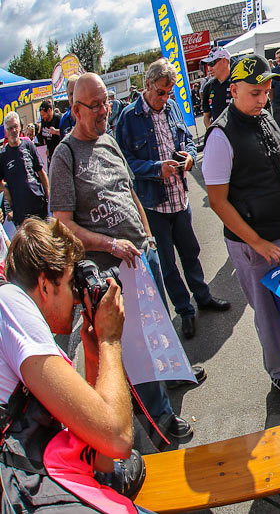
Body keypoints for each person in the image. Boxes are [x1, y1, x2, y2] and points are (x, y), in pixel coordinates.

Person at [48, 72, 196, 444]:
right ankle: (159, 418)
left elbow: (129, 194)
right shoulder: (64, 156)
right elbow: (62, 225)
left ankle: (172, 372)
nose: (103, 111)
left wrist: (146, 238)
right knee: (137, 345)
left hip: (141, 255)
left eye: (106, 103)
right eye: (95, 105)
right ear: (76, 109)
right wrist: (110, 245)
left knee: (159, 322)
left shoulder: (109, 141)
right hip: (109, 270)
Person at [0, 217, 148, 511]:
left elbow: (102, 452)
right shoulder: (10, 302)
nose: (79, 299)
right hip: (20, 487)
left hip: (33, 474)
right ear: (44, 284)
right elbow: (117, 437)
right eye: (71, 284)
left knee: (132, 467)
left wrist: (94, 351)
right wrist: (110, 341)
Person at [203, 54, 280, 400]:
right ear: (233, 90)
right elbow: (218, 202)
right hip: (254, 244)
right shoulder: (219, 136)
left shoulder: (263, 116)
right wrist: (258, 243)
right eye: (254, 93)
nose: (262, 99)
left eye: (266, 91)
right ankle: (279, 372)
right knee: (268, 314)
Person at [116, 60, 231, 340]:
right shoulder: (128, 118)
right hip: (154, 204)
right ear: (147, 86)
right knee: (168, 263)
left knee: (190, 252)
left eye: (169, 93)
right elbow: (125, 163)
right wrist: (156, 169)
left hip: (180, 199)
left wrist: (190, 156)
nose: (165, 98)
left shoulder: (172, 107)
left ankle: (202, 296)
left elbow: (187, 141)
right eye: (161, 93)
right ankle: (185, 311)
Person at [0, 112, 49, 225]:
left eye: (15, 126)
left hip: (39, 205)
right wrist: (6, 189)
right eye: (10, 128)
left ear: (20, 127)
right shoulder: (3, 155)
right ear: (6, 132)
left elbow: (41, 172)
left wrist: (48, 195)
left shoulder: (28, 144)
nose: (13, 131)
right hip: (20, 213)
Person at [201, 46, 232, 129]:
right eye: (208, 64)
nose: (209, 68)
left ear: (224, 61)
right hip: (220, 137)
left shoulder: (239, 82)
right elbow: (206, 116)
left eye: (212, 63)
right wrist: (211, 131)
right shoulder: (208, 87)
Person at [37, 99, 62, 163]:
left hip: (60, 153)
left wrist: (56, 131)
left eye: (43, 115)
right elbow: (43, 136)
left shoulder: (59, 119)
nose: (42, 118)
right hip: (50, 155)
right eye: (41, 116)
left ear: (49, 110)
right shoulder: (44, 121)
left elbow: (66, 133)